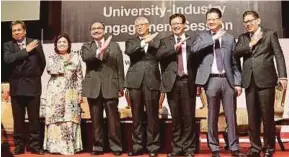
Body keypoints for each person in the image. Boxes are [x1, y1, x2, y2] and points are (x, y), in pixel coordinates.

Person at [234, 11, 287, 157]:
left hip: (266, 80)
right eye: (245, 22)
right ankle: (255, 148)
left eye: (251, 21)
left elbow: (279, 55)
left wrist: (283, 76)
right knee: (253, 117)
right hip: (249, 81)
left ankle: (269, 147)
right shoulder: (243, 38)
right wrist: (251, 44)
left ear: (258, 20)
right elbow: (236, 53)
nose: (248, 24)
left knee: (267, 116)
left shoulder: (270, 34)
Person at [191, 8, 243, 157]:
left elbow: (235, 63)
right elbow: (194, 49)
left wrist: (238, 83)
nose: (211, 22)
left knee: (231, 116)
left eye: (214, 19)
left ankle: (234, 147)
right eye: (208, 19)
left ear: (221, 20)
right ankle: (214, 148)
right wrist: (213, 39)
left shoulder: (230, 38)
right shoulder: (202, 36)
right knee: (212, 116)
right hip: (211, 80)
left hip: (228, 80)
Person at [156, 13, 197, 157]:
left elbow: (197, 63)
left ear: (185, 24)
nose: (176, 26)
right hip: (172, 83)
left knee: (188, 117)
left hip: (188, 82)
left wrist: (199, 83)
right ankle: (177, 147)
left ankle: (189, 148)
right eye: (173, 24)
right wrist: (174, 48)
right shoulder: (165, 41)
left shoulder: (193, 40)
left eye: (178, 23)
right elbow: (159, 56)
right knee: (176, 117)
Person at [3, 20, 46, 155]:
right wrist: (26, 50)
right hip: (16, 87)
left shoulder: (35, 43)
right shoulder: (8, 45)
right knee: (18, 120)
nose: (16, 32)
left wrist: (34, 76)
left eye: (19, 30)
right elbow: (8, 60)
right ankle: (19, 146)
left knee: (34, 120)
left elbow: (42, 63)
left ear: (25, 31)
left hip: (33, 86)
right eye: (14, 30)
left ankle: (34, 146)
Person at [81, 21, 124, 156]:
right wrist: (100, 50)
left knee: (113, 120)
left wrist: (121, 85)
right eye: (93, 28)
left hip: (111, 86)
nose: (96, 30)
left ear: (104, 30)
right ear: (90, 32)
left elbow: (120, 67)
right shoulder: (87, 46)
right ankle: (98, 147)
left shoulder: (115, 46)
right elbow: (87, 58)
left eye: (99, 28)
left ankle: (116, 147)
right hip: (93, 88)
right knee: (96, 120)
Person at [124, 17, 161, 157]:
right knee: (136, 116)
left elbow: (160, 53)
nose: (139, 27)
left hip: (152, 80)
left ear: (148, 26)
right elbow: (130, 51)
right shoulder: (131, 42)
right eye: (137, 25)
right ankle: (137, 146)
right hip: (135, 82)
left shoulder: (156, 40)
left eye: (142, 25)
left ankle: (153, 147)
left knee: (152, 116)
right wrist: (143, 42)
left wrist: (150, 41)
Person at [43, 33, 83, 155]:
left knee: (70, 118)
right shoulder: (52, 57)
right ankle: (55, 147)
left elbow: (79, 75)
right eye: (59, 42)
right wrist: (66, 63)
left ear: (69, 44)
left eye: (64, 42)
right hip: (55, 92)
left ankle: (70, 147)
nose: (62, 44)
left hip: (71, 92)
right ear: (56, 45)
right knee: (56, 118)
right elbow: (51, 69)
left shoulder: (76, 56)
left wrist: (80, 93)